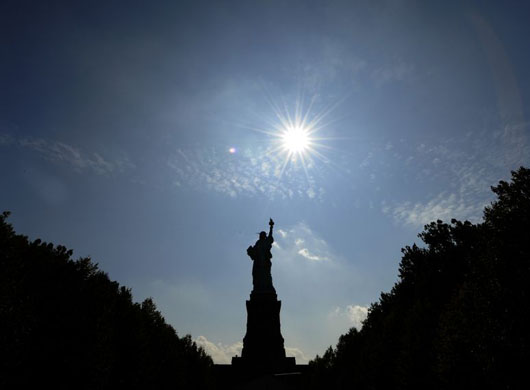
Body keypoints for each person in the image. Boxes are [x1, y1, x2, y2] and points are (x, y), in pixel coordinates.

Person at [247, 219, 275, 292]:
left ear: (264, 236)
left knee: (266, 274)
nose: (261, 236)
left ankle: (268, 288)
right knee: (256, 274)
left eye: (262, 235)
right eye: (260, 235)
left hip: (265, 261)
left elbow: (270, 236)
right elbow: (254, 252)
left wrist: (271, 227)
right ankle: (257, 288)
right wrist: (250, 251)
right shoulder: (258, 243)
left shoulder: (266, 242)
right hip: (258, 262)